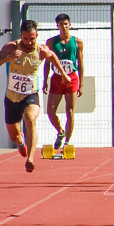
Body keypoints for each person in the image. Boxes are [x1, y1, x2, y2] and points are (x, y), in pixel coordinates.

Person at [0, 19, 64, 173]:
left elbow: (52, 56)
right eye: (26, 38)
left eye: (32, 38)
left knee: (30, 119)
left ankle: (30, 158)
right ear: (21, 36)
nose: (29, 42)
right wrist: (8, 58)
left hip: (31, 94)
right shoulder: (11, 47)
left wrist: (63, 74)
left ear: (37, 36)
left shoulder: (40, 50)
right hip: (12, 97)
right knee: (14, 136)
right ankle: (21, 142)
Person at [42, 13, 84, 151]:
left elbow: (81, 63)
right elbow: (47, 63)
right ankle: (61, 131)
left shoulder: (77, 42)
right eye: (61, 24)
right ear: (57, 26)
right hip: (56, 78)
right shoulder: (51, 42)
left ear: (70, 25)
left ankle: (67, 142)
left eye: (66, 24)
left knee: (70, 110)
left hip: (72, 78)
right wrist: (45, 80)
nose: (64, 26)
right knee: (50, 111)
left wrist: (81, 84)